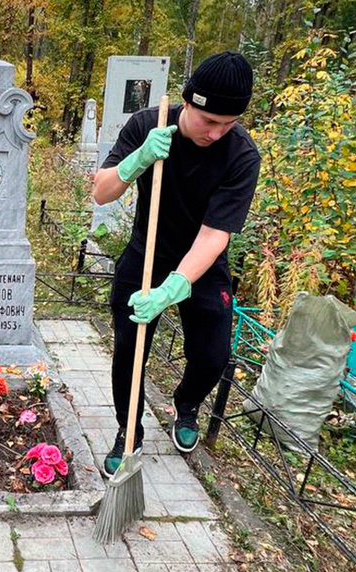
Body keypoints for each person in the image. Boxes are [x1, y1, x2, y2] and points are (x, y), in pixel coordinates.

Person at [91, 52, 260, 476]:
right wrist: (137, 160)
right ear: (187, 103)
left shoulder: (241, 155)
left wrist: (175, 286)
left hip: (202, 264)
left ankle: (186, 406)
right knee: (130, 351)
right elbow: (102, 192)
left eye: (229, 123)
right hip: (147, 253)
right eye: (209, 121)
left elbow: (214, 233)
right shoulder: (149, 126)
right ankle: (128, 431)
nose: (217, 133)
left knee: (212, 356)